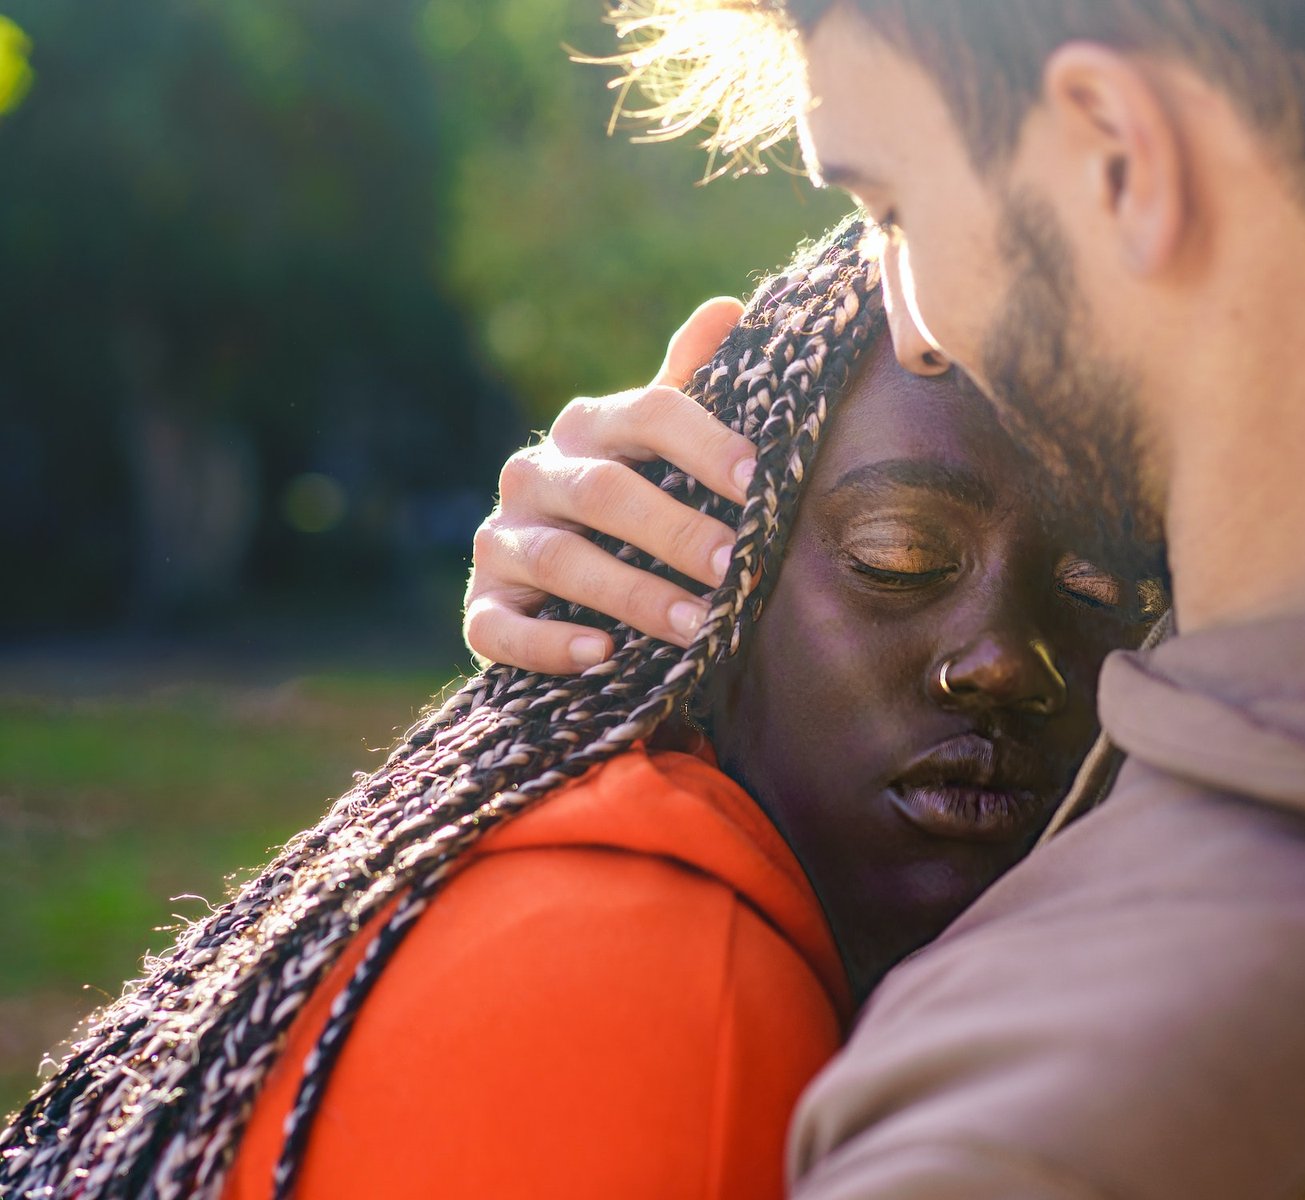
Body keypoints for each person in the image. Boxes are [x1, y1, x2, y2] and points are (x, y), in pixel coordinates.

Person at [465, 1, 1305, 1195]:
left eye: (892, 210)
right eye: (903, 562)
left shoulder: (1044, 1136)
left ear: (1119, 153)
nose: (909, 326)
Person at [0, 226, 1152, 1199]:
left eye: (1103, 593)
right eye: (898, 558)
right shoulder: (670, 988)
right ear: (720, 578)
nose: (1004, 662)